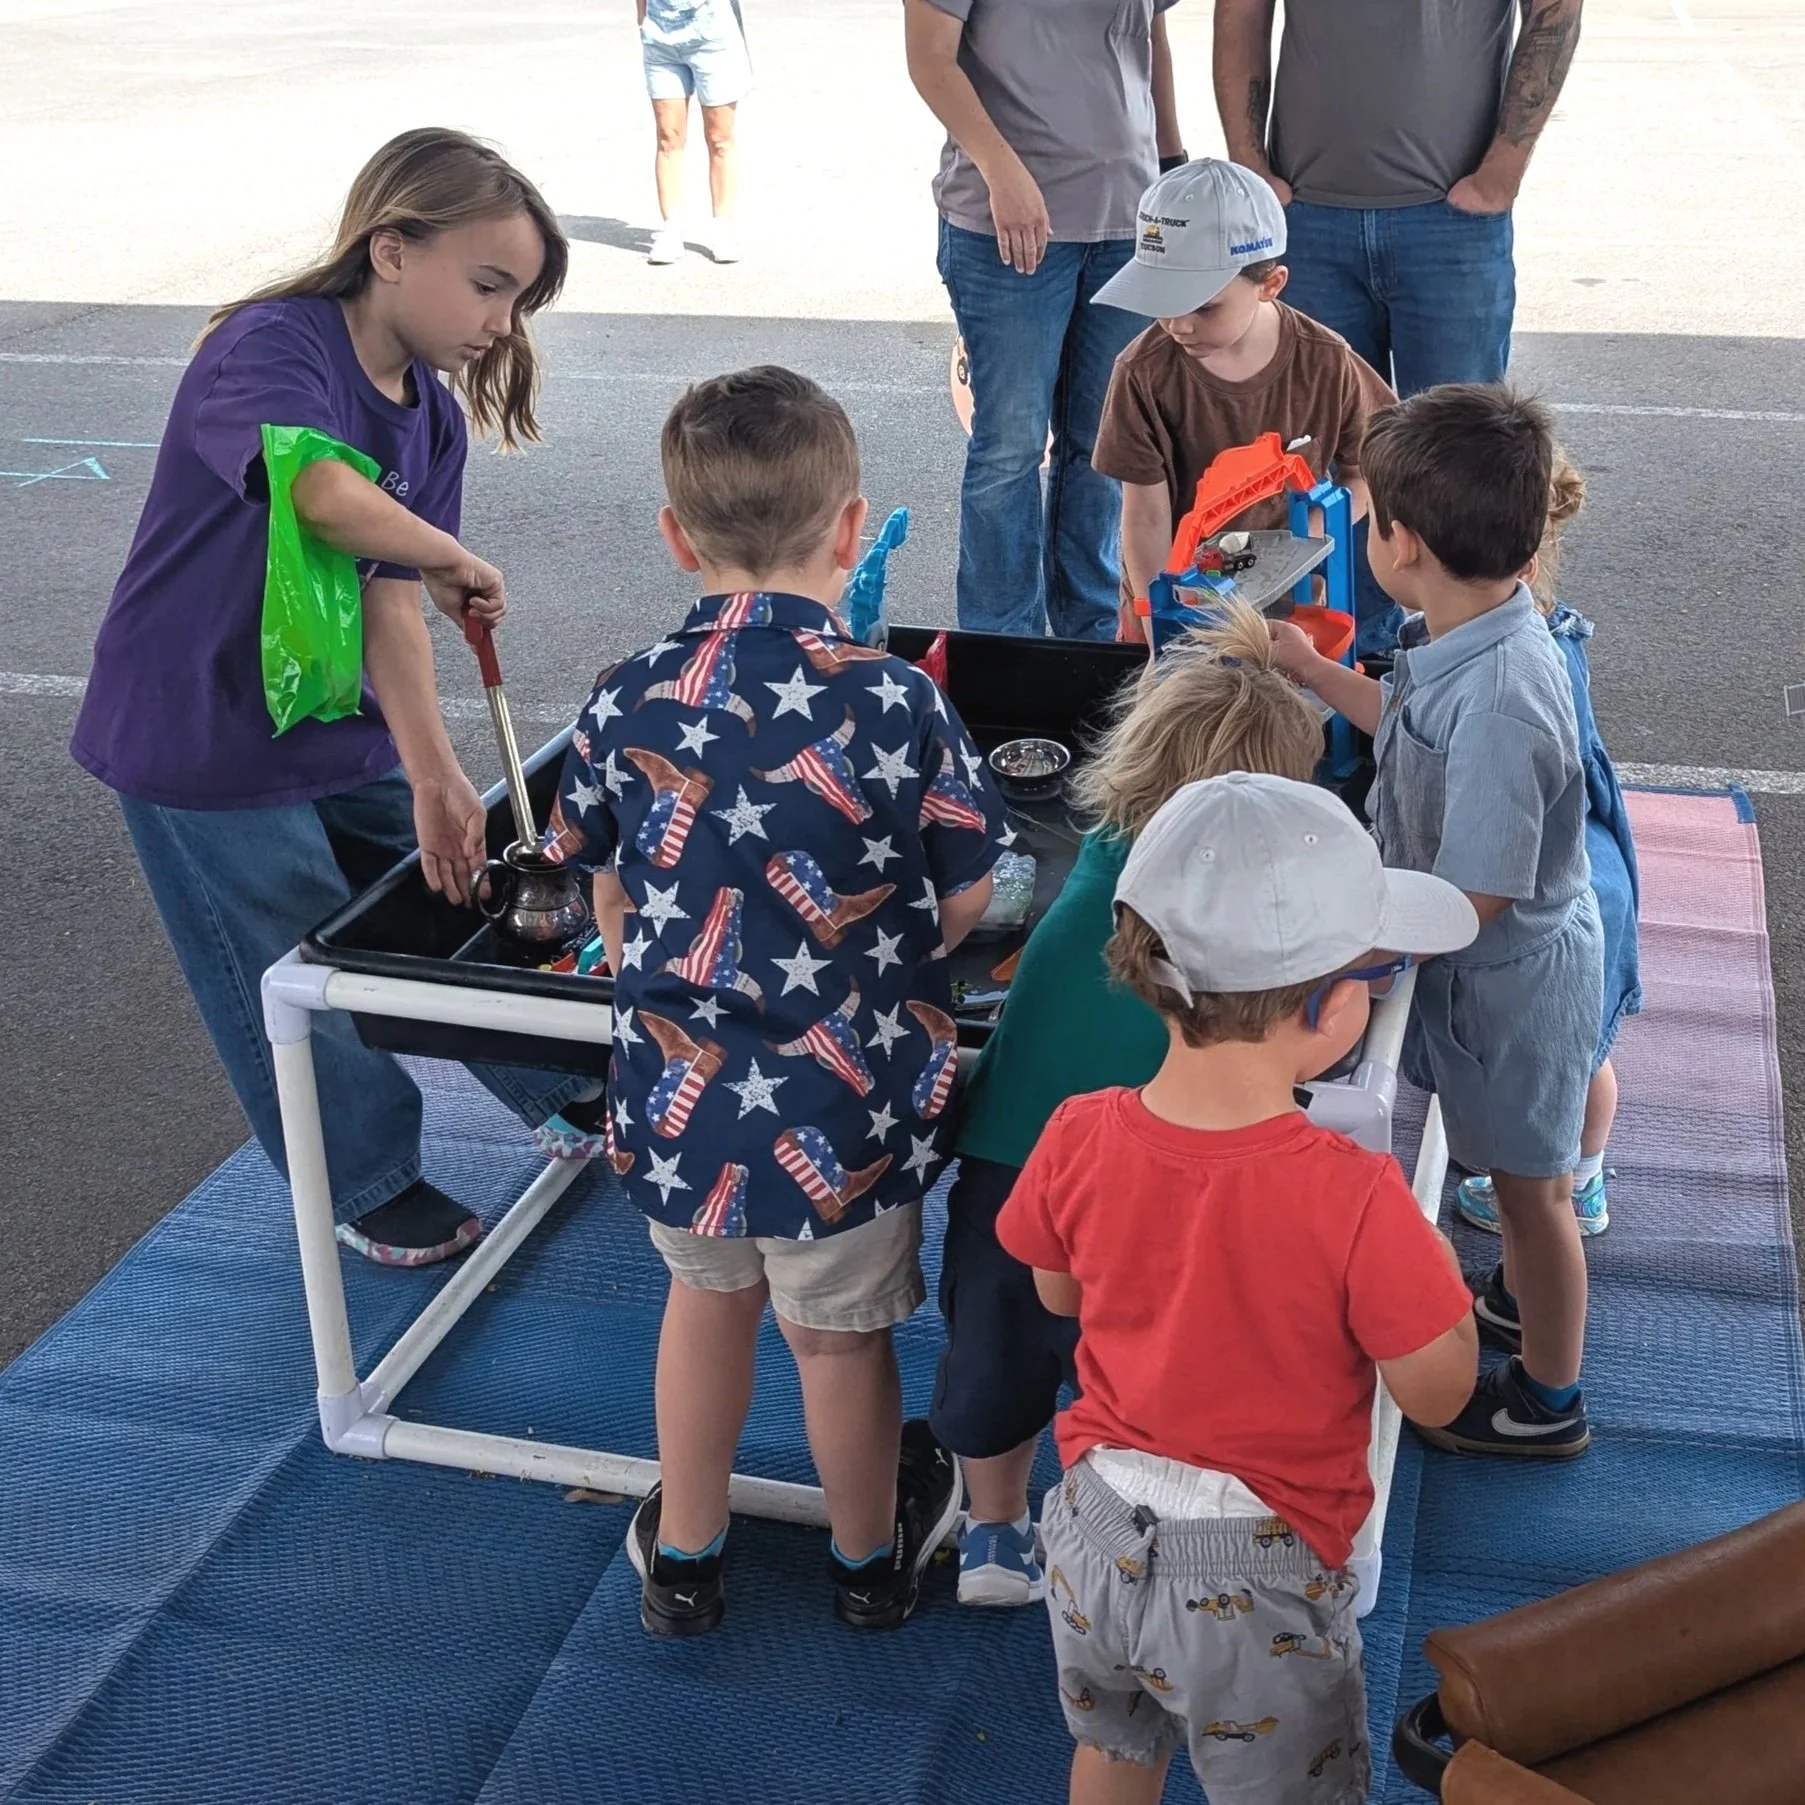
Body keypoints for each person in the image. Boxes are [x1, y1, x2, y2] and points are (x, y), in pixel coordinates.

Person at [70, 128, 591, 1268]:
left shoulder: (434, 415)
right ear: (391, 247)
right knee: (286, 942)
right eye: (490, 285)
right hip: (198, 729)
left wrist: (435, 773)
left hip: (328, 710)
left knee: (455, 874)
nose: (500, 324)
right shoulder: (268, 345)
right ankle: (364, 1176)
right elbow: (314, 491)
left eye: (519, 302)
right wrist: (444, 553)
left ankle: (562, 1083)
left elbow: (393, 601)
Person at [545, 366, 1007, 1637]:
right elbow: (968, 891)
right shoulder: (901, 698)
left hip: (680, 1103)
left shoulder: (624, 691)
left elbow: (600, 884)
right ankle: (868, 1561)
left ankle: (686, 1554)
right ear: (853, 528)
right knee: (839, 1342)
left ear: (676, 537)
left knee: (704, 1305)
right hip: (844, 1107)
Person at [999, 772, 1480, 1805]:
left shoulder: (1077, 1130)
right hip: (1252, 1576)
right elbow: (1437, 1392)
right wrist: (1431, 1270)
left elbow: (1054, 1291)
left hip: (1090, 1523)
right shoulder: (1353, 1194)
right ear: (1321, 1006)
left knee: (1117, 1746)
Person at [930, 603, 1327, 1608]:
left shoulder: (1106, 844)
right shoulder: (1247, 920)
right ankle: (1136, 1525)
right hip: (1146, 1176)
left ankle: (992, 1525)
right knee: (1149, 1358)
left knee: (994, 1348)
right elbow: (1300, 1044)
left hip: (1012, 1161)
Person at [1270, 384, 1606, 1459]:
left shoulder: (1507, 690)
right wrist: (1314, 671)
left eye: (1367, 518)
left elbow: (1477, 892)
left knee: (1530, 1193)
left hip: (1508, 989)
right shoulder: (1462, 628)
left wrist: (1354, 941)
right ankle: (1519, 1295)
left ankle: (1548, 1395)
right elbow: (1411, 725)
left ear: (1400, 541)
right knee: (1511, 1177)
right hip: (1479, 975)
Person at [1212, 0, 1584, 655]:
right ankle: (1340, 666)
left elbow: (1554, 10)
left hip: (1449, 225)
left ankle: (1468, 664)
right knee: (1315, 458)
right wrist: (1249, 162)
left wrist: (1505, 167)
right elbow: (1241, 11)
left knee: (1464, 464)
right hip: (1312, 219)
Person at [903, 0, 1186, 640]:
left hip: (1126, 220)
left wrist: (1171, 166)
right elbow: (929, 58)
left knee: (1101, 446)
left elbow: (1152, 37)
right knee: (1011, 446)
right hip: (1008, 226)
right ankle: (1000, 643)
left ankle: (1086, 633)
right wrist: (1002, 171)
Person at [1456, 451, 1641, 1258]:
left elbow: (1497, 870)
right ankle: (1573, 1176)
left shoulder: (1509, 675)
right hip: (1581, 873)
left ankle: (1579, 1179)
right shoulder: (1520, 625)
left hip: (1567, 899)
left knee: (1572, 1059)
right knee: (1579, 1053)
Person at [1090, 158, 1393, 648]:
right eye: (1165, 298)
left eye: (1205, 305)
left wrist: (1294, 542)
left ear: (1270, 284)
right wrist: (1158, 633)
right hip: (1168, 599)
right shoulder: (1142, 372)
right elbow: (1144, 515)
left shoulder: (1327, 362)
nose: (1180, 324)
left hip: (1287, 608)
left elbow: (1367, 473)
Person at [637, 0, 752, 266]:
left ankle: (723, 228)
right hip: (659, 34)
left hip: (711, 32)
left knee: (719, 137)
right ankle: (671, 230)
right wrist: (642, 16)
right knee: (668, 137)